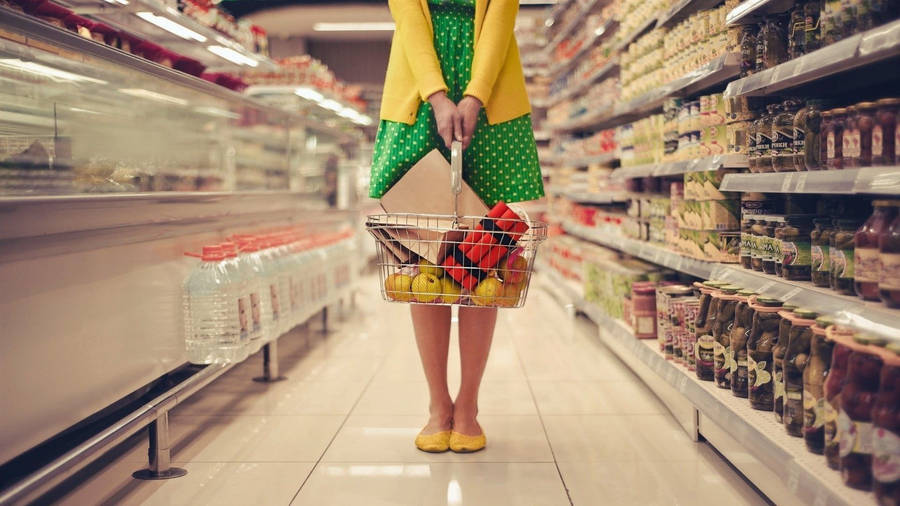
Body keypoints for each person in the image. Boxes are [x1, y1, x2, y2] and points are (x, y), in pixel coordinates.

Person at [369, 0, 544, 453]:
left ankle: (468, 404)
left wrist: (475, 95)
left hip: (489, 97)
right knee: (422, 258)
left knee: (483, 259)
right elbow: (408, 17)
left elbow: (500, 17)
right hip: (418, 96)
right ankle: (437, 404)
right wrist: (436, 95)